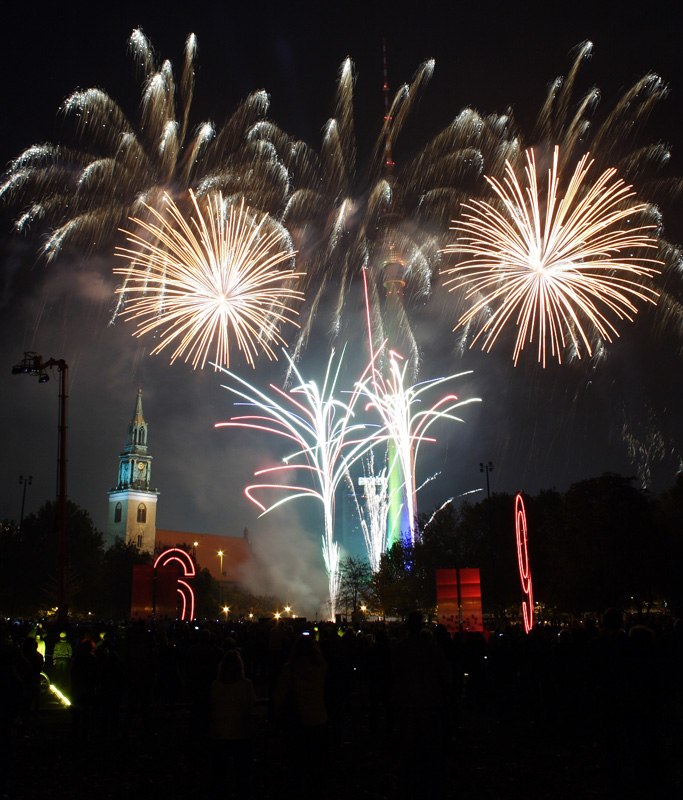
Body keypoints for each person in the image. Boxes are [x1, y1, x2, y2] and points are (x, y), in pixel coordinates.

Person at [210, 650, 255, 795]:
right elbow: (250, 708)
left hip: (220, 732)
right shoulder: (246, 685)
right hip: (241, 732)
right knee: (242, 772)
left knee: (220, 771)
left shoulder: (216, 685)